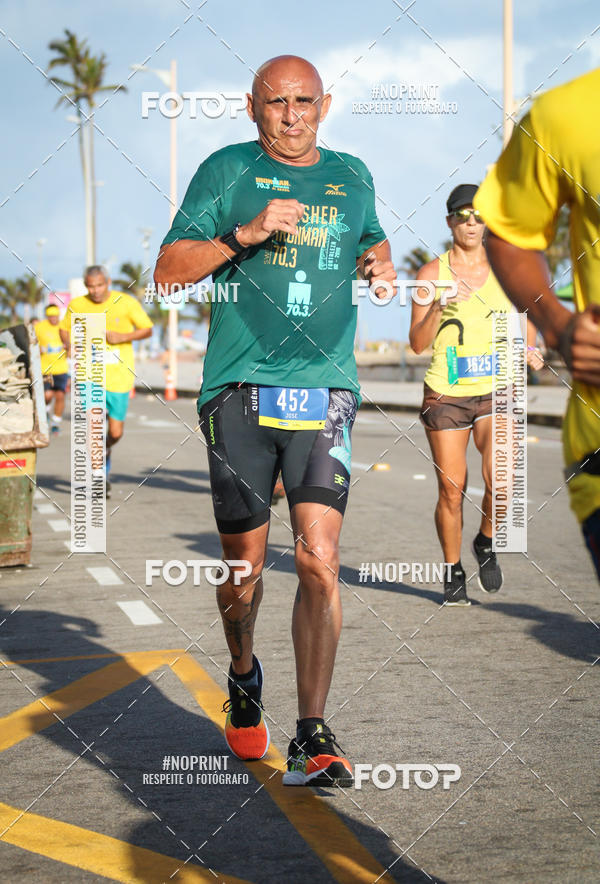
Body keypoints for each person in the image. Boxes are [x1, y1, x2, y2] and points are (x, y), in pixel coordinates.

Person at [154, 55, 394, 786]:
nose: (292, 117)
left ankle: (312, 731)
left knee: (320, 559)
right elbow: (168, 271)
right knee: (245, 573)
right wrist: (242, 237)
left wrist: (379, 266)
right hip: (239, 388)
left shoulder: (352, 175)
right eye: (276, 103)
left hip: (326, 388)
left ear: (327, 103)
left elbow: (369, 238)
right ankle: (242, 671)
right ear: (251, 106)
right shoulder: (225, 170)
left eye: (304, 102)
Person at [475, 68, 600, 580]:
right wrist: (559, 325)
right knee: (464, 480)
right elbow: (509, 233)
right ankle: (473, 552)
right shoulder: (566, 114)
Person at [409, 185, 542, 605]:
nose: (471, 222)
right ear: (450, 221)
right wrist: (437, 306)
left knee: (501, 483)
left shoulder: (508, 269)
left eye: (479, 215)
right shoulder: (432, 274)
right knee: (453, 488)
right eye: (462, 214)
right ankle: (452, 569)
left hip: (497, 387)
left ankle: (485, 542)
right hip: (446, 393)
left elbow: (528, 313)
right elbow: (416, 342)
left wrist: (530, 348)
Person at [60, 266, 153, 495]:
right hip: (89, 375)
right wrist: (69, 343)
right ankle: (99, 477)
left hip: (119, 378)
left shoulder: (126, 302)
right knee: (93, 425)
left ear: (108, 282)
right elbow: (64, 329)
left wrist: (124, 336)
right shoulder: (78, 305)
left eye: (99, 285)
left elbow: (148, 329)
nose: (95, 290)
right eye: (91, 286)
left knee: (115, 432)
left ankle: (106, 449)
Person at [34, 305, 69, 433]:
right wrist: (38, 349)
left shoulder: (64, 327)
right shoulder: (39, 327)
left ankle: (56, 422)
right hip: (45, 369)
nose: (53, 318)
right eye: (51, 316)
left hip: (61, 368)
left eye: (55, 316)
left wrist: (68, 348)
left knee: (60, 396)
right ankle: (47, 409)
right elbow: (31, 344)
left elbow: (72, 346)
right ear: (47, 316)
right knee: (47, 395)